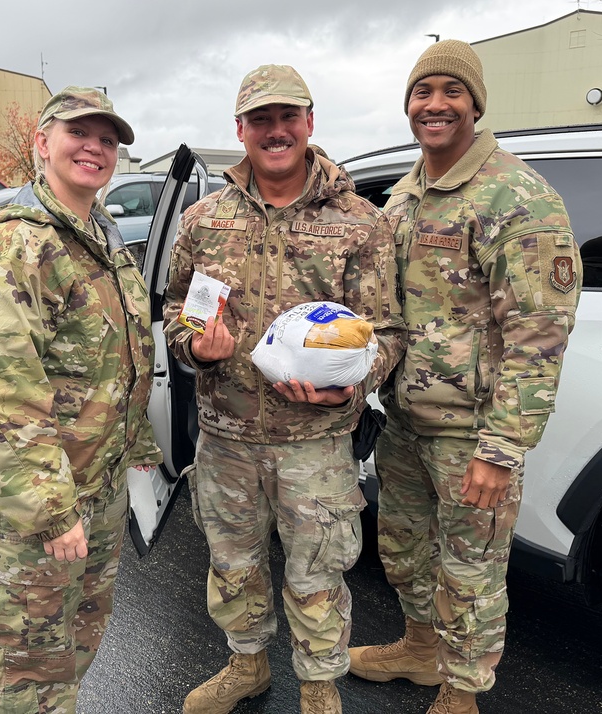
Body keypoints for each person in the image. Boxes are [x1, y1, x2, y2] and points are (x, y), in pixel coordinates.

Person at [347, 41, 581, 714]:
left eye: (452, 91)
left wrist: (500, 450)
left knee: (471, 571)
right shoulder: (405, 195)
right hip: (406, 423)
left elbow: (538, 335)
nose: (435, 104)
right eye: (422, 92)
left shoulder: (517, 197)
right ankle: (422, 651)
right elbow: (385, 311)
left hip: (471, 433)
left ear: (476, 104)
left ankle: (461, 691)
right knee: (404, 549)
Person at [163, 64, 405, 714]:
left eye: (288, 117)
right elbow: (178, 312)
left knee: (318, 571)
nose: (276, 131)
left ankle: (319, 687)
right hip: (227, 438)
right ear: (240, 129)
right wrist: (193, 346)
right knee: (233, 563)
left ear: (309, 123)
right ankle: (247, 665)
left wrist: (350, 388)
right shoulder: (203, 220)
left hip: (315, 442)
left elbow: (386, 332)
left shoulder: (359, 223)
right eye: (261, 119)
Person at [0, 86, 160, 714]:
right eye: (79, 133)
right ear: (42, 143)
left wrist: (138, 448)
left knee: (73, 652)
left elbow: (118, 357)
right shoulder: (16, 241)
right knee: (29, 675)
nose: (95, 148)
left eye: (108, 140)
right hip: (39, 510)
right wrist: (50, 509)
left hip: (97, 490)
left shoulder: (99, 233)